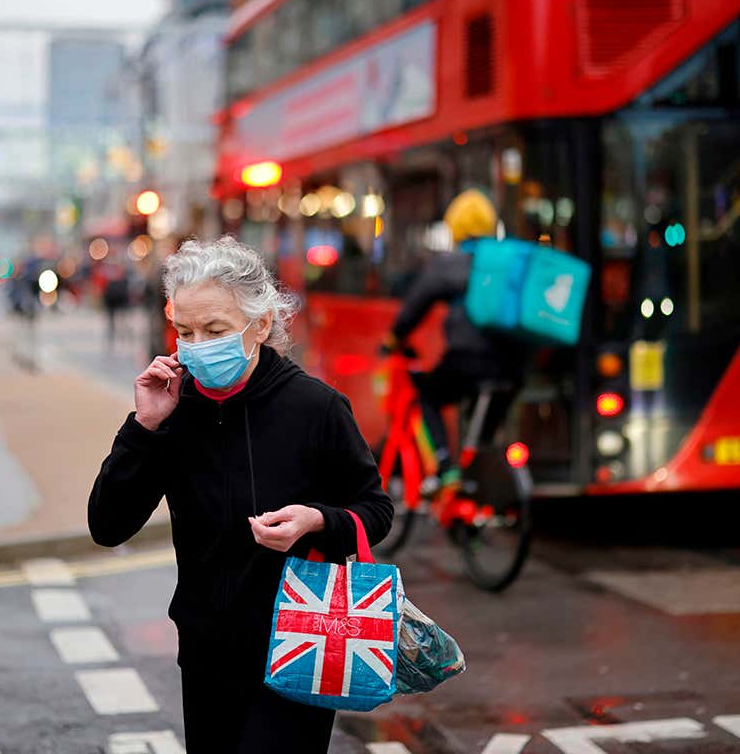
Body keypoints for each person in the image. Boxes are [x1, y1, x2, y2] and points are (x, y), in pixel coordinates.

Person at [88, 237, 392, 754]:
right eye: (185, 332)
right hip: (205, 652)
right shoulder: (173, 410)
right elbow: (107, 526)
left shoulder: (315, 407)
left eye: (215, 330)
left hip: (300, 642)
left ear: (262, 324)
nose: (198, 345)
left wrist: (317, 520)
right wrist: (143, 427)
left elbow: (375, 510)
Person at [384, 189, 530, 487]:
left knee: (427, 392)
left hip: (468, 363)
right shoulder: (510, 262)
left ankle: (444, 465)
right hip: (513, 368)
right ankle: (480, 471)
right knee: (484, 432)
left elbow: (415, 306)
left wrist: (393, 339)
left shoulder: (450, 264)